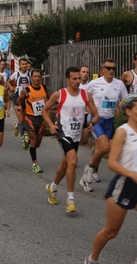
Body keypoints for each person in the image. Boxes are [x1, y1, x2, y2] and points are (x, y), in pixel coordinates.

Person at [84, 93, 137, 264]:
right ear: (128, 111)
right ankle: (92, 260)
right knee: (111, 232)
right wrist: (132, 174)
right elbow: (112, 164)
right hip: (125, 185)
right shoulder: (123, 132)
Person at [43, 66, 99, 212]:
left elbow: (96, 114)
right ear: (67, 80)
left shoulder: (86, 95)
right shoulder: (59, 94)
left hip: (76, 134)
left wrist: (91, 123)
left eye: (79, 78)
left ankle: (52, 187)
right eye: (74, 79)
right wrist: (50, 125)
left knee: (65, 164)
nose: (77, 81)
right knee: (73, 161)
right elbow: (45, 110)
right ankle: (71, 199)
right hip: (63, 132)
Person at [80, 59, 128, 192]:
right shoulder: (94, 84)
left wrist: (122, 107)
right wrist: (88, 109)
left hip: (109, 121)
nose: (111, 70)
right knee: (104, 147)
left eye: (113, 68)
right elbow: (81, 96)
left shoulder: (119, 84)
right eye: (108, 68)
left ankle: (88, 172)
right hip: (97, 120)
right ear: (102, 70)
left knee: (103, 149)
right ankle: (89, 172)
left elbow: (126, 101)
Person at [16, 70, 49, 173]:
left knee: (37, 144)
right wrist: (19, 106)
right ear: (31, 78)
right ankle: (35, 164)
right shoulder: (26, 90)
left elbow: (50, 99)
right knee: (34, 140)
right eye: (35, 76)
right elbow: (19, 99)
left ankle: (26, 140)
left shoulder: (44, 88)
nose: (37, 78)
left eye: (39, 76)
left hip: (41, 118)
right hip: (30, 118)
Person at [8, 58, 31, 149]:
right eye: (22, 64)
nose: (24, 66)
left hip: (28, 100)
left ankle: (17, 125)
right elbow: (8, 82)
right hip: (18, 99)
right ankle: (23, 138)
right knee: (21, 119)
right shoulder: (16, 74)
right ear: (19, 65)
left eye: (26, 64)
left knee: (25, 120)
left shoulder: (30, 74)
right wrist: (11, 87)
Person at [79, 65, 91, 145]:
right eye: (83, 72)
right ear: (79, 73)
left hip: (87, 115)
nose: (85, 74)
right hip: (76, 114)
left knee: (84, 141)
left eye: (87, 72)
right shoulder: (75, 85)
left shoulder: (91, 85)